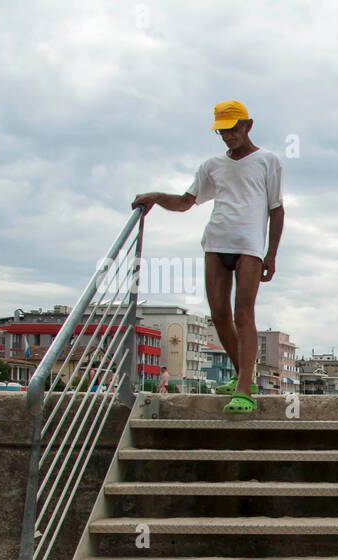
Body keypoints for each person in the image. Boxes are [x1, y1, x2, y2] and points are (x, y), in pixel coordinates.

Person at [132, 100, 284, 415]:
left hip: (250, 246)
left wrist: (271, 253)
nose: (229, 136)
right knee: (218, 315)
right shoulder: (212, 165)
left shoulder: (268, 161)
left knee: (244, 314)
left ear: (248, 125)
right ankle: (245, 375)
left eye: (234, 129)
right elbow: (187, 202)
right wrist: (157, 198)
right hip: (216, 242)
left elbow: (276, 209)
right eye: (223, 132)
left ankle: (244, 388)